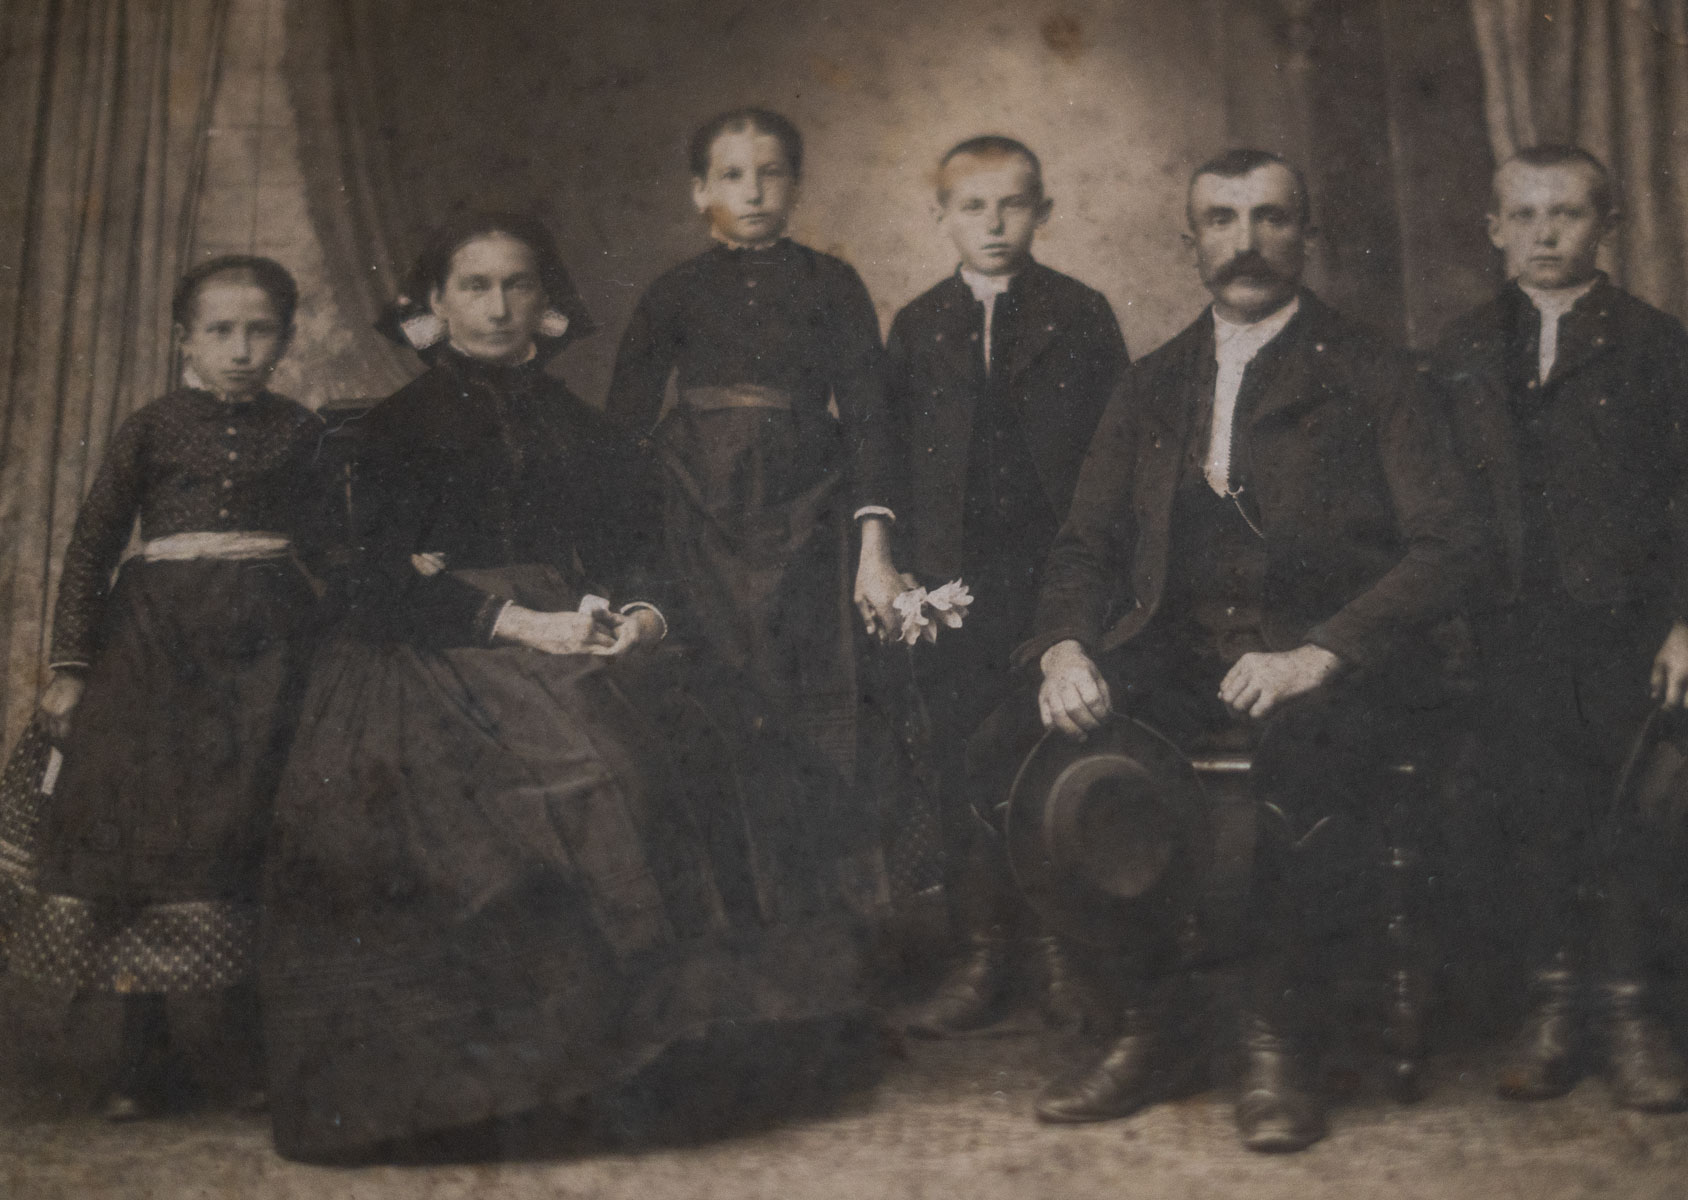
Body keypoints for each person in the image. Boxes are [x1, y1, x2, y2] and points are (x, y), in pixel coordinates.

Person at [259, 213, 875, 1163]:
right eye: (475, 286)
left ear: (547, 306)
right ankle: (525, 1085)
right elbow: (367, 583)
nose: (499, 307)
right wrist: (517, 623)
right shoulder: (389, 432)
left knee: (714, 750)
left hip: (576, 638)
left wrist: (640, 619)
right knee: (583, 781)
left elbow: (641, 557)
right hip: (429, 658)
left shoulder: (587, 429)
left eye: (518, 286)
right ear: (432, 305)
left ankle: (665, 1064)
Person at [976, 150, 1483, 1144]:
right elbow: (1083, 547)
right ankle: (1150, 1019)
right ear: (1192, 239)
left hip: (1333, 665)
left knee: (1295, 762)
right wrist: (1064, 652)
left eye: (1269, 218)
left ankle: (1275, 1040)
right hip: (1182, 654)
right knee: (1039, 746)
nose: (1244, 242)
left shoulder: (1377, 372)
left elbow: (1451, 547)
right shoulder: (1152, 383)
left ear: (1307, 234)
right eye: (1220, 219)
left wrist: (1322, 652)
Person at [1434, 145, 1688, 1113]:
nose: (1545, 233)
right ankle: (1555, 1005)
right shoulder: (1463, 348)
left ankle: (1633, 1010)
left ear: (1610, 227)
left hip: (1623, 633)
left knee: (1630, 816)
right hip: (1508, 634)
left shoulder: (1650, 342)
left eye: (1566, 214)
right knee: (1535, 816)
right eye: (1523, 216)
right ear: (1493, 230)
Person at [12, 256, 329, 1120]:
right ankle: (137, 1058)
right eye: (219, 331)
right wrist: (73, 668)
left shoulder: (303, 432)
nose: (239, 348)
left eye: (259, 330)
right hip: (153, 656)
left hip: (268, 654)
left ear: (286, 339)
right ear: (184, 337)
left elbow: (330, 545)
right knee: (147, 842)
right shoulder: (149, 429)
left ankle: (250, 1055)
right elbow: (89, 549)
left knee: (246, 840)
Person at [886, 136, 1129, 1036]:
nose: (993, 223)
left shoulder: (1081, 312)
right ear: (941, 215)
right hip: (954, 587)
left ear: (1044, 212)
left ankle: (1067, 951)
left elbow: (1118, 455)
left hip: (1057, 574)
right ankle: (986, 954)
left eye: (1013, 205)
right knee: (958, 757)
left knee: (1051, 748)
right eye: (972, 206)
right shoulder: (917, 325)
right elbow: (896, 455)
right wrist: (906, 566)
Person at [606, 107, 906, 775]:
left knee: (809, 684)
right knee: (711, 695)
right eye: (732, 175)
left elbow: (868, 415)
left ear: (796, 185)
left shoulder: (832, 283)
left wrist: (874, 549)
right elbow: (624, 422)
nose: (752, 191)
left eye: (770, 174)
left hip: (809, 510)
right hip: (697, 513)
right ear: (699, 190)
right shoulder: (674, 290)